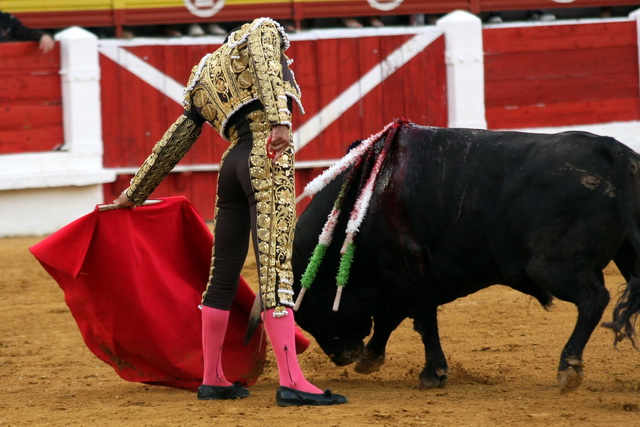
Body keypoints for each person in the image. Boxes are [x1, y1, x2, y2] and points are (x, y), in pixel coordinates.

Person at [112, 17, 348, 407]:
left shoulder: (204, 71)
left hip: (231, 166)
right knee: (276, 269)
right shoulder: (262, 31)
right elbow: (267, 65)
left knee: (221, 276)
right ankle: (292, 382)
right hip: (265, 155)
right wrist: (279, 122)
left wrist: (135, 192)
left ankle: (213, 378)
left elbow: (179, 135)